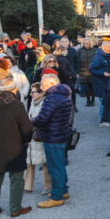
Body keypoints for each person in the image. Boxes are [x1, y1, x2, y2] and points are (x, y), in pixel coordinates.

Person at [0, 75, 33, 219]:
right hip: (14, 146)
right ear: (12, 89)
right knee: (16, 179)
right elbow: (27, 128)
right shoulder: (16, 105)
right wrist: (26, 141)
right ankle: (15, 208)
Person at [31, 73, 72, 209]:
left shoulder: (51, 98)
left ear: (51, 84)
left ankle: (56, 197)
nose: (41, 86)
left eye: (43, 84)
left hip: (52, 136)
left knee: (54, 167)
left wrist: (31, 121)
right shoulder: (63, 94)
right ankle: (63, 190)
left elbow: (43, 118)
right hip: (61, 134)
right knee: (60, 164)